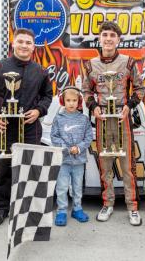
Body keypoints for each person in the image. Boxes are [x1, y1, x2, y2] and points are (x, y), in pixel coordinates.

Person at [0, 28, 53, 225]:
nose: (24, 46)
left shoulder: (40, 71)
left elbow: (48, 96)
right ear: (13, 43)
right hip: (3, 127)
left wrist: (38, 111)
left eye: (28, 42)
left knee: (29, 167)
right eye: (21, 41)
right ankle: (1, 208)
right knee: (1, 168)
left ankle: (24, 208)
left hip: (29, 127)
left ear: (33, 46)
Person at [82, 21, 145, 226]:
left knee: (127, 167)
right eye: (105, 35)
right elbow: (86, 91)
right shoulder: (90, 65)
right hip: (102, 121)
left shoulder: (128, 62)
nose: (108, 38)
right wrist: (94, 107)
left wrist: (130, 106)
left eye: (112, 35)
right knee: (105, 166)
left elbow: (140, 89)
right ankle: (107, 203)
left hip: (122, 119)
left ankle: (132, 207)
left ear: (118, 39)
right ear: (99, 39)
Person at [50, 86, 93, 226]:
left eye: (74, 100)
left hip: (79, 161)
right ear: (63, 101)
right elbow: (54, 137)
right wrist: (68, 149)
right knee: (62, 187)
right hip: (63, 161)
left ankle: (77, 209)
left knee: (77, 186)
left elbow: (88, 137)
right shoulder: (58, 118)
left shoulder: (84, 119)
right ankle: (61, 211)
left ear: (79, 101)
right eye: (68, 100)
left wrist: (78, 148)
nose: (71, 103)